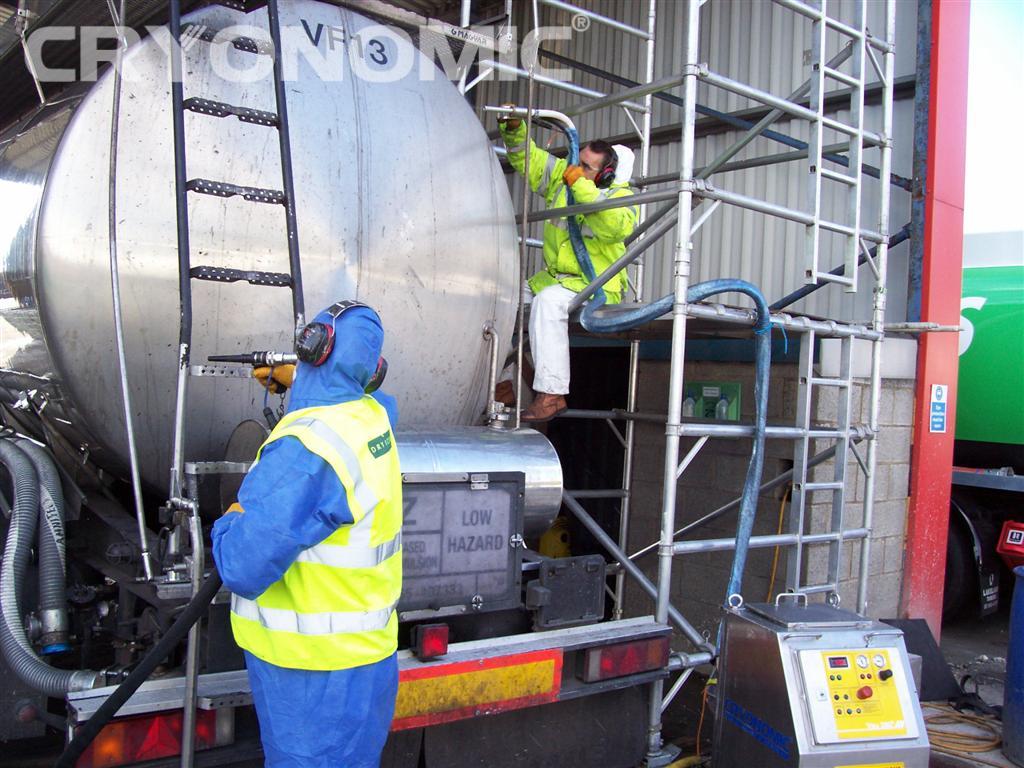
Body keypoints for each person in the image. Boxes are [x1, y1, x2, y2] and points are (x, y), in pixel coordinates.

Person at [212, 301, 402, 768]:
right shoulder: (373, 418)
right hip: (365, 663)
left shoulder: (306, 452)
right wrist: (301, 383)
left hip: (311, 679)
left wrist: (232, 515)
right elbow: (358, 394)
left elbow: (241, 564)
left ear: (313, 346)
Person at [498, 106, 638, 422]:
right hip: (557, 279)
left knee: (548, 304)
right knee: (504, 302)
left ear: (605, 174)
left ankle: (551, 394)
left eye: (586, 167)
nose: (575, 169)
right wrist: (513, 129)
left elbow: (616, 226)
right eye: (576, 161)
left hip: (594, 285)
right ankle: (503, 386)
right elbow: (529, 159)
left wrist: (580, 185)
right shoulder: (566, 177)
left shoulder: (621, 198)